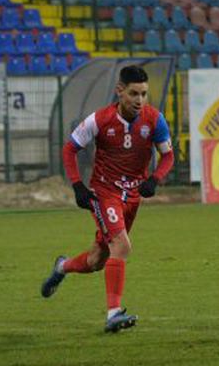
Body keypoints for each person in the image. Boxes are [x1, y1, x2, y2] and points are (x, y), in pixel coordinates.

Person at [40, 64, 175, 333]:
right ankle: (113, 313)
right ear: (120, 91)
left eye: (144, 94)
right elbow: (69, 150)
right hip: (105, 193)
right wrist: (78, 186)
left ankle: (62, 267)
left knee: (96, 261)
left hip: (132, 196)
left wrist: (154, 179)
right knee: (122, 247)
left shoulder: (154, 119)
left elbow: (168, 155)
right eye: (134, 94)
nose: (139, 100)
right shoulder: (99, 120)